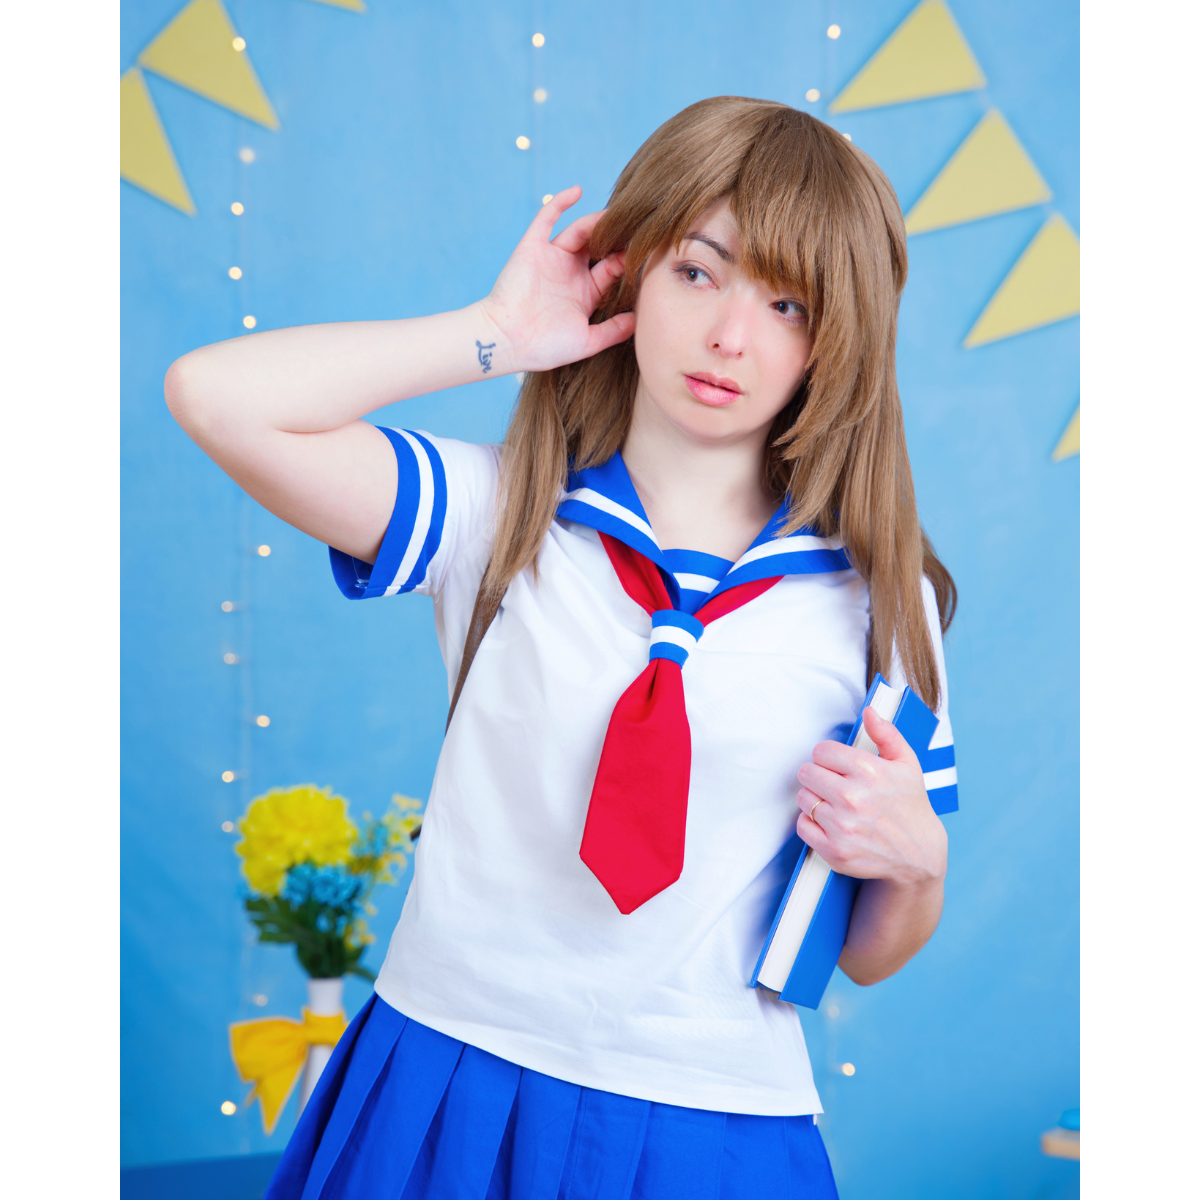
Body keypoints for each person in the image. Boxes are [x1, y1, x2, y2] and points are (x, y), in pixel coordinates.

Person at [166, 96, 957, 1199]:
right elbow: (212, 396)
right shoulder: (498, 514)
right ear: (630, 274)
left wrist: (918, 862)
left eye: (788, 301)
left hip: (713, 1122)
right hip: (445, 1079)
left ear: (838, 341)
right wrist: (494, 333)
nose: (732, 335)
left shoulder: (883, 602)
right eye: (698, 270)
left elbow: (867, 947)